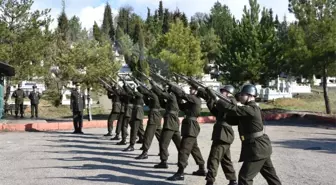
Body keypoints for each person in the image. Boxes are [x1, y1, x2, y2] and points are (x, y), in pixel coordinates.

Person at [216, 84, 281, 185]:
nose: (240, 97)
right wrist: (212, 100)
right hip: (259, 148)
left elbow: (233, 109)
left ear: (250, 96)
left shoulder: (252, 109)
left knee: (244, 178)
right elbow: (232, 118)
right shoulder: (247, 109)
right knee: (271, 177)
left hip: (257, 149)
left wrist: (219, 100)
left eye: (242, 94)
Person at [167, 84, 206, 181]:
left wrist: (173, 87)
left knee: (183, 150)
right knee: (194, 148)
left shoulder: (195, 99)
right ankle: (201, 168)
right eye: (190, 88)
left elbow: (183, 94)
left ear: (197, 91)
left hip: (191, 128)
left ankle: (180, 172)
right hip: (189, 127)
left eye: (192, 88)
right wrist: (176, 97)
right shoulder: (191, 101)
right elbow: (181, 106)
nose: (190, 89)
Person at [204, 85, 238, 185]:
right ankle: (233, 180)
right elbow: (215, 111)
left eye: (223, 91)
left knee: (213, 158)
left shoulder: (231, 101)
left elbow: (226, 104)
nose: (222, 92)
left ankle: (210, 181)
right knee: (225, 159)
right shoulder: (224, 103)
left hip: (223, 134)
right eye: (221, 91)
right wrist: (210, 97)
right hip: (221, 134)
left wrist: (215, 97)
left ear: (229, 93)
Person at [151, 82, 181, 169]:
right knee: (179, 144)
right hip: (174, 122)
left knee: (163, 143)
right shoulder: (175, 97)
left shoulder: (172, 96)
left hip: (170, 123)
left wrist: (154, 85)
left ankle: (163, 161)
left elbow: (160, 93)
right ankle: (182, 159)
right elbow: (163, 104)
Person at [135, 85, 162, 160]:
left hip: (154, 117)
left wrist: (138, 85)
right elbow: (147, 102)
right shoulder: (154, 96)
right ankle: (163, 151)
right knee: (160, 136)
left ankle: (145, 152)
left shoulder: (154, 96)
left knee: (147, 135)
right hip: (156, 116)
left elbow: (144, 91)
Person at [123, 84, 145, 152]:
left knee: (134, 130)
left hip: (137, 114)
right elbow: (131, 97)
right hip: (136, 113)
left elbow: (133, 93)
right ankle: (145, 144)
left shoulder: (140, 95)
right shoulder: (137, 96)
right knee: (140, 130)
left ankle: (131, 145)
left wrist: (127, 86)